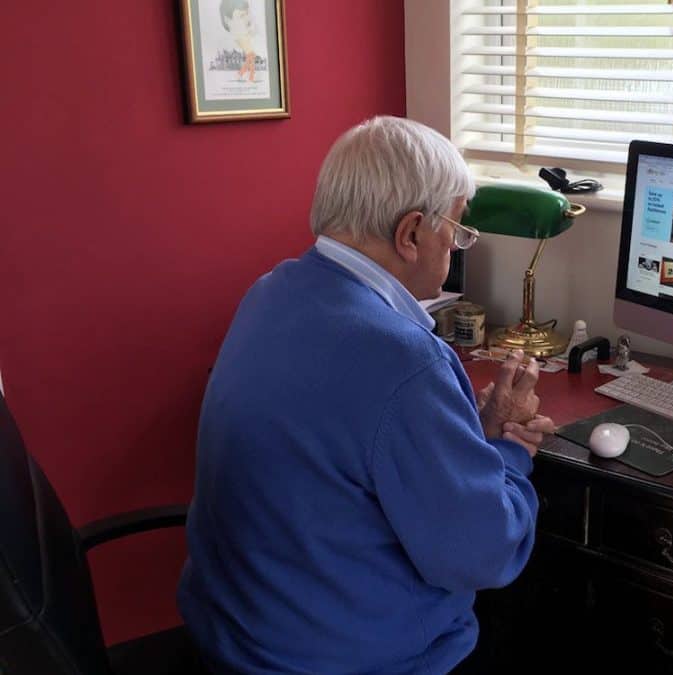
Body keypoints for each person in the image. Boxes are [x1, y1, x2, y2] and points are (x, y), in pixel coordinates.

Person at [178, 116, 556, 674]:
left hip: (233, 637)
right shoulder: (404, 360)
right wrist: (508, 454)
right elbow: (483, 554)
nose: (455, 244)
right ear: (410, 234)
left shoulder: (270, 292)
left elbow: (358, 445)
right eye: (456, 228)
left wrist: (469, 436)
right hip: (344, 660)